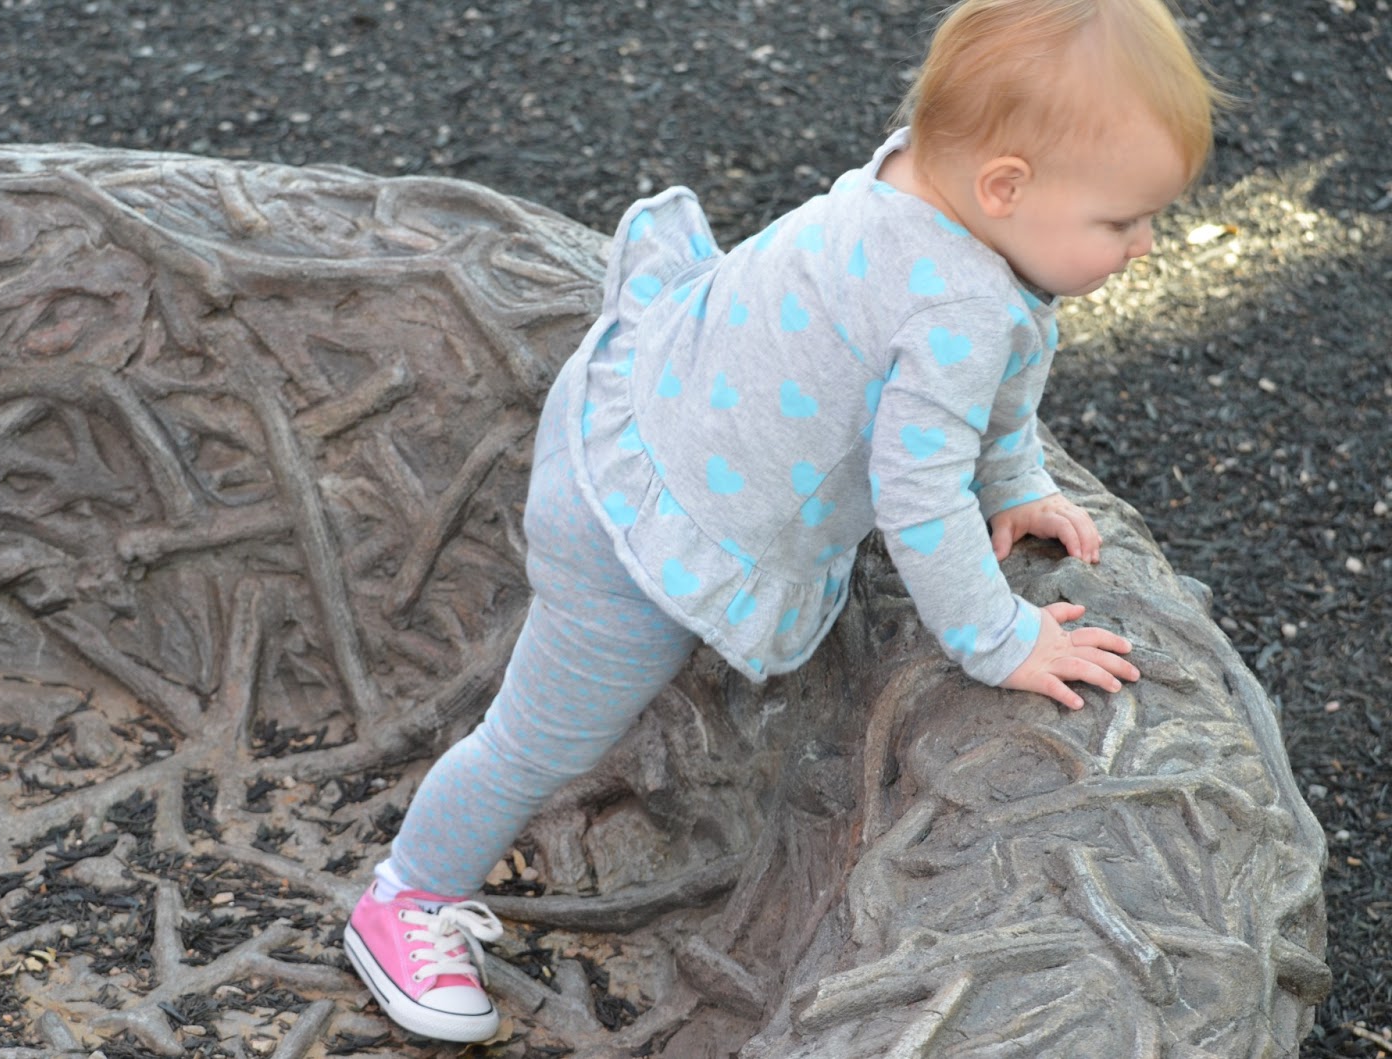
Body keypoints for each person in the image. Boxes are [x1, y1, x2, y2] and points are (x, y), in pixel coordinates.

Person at [341, 0, 1226, 1042]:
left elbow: (996, 377)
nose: (1145, 244)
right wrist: (1001, 638)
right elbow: (919, 497)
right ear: (1004, 188)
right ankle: (405, 896)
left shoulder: (922, 182)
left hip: (647, 408)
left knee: (559, 718)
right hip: (631, 530)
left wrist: (1014, 479)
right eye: (1121, 223)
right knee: (535, 742)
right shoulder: (955, 303)